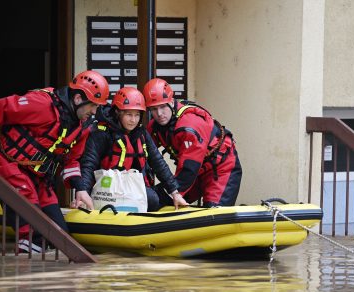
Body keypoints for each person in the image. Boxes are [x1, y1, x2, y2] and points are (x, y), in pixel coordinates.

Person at [0, 70, 110, 253]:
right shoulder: (41, 104)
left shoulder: (81, 128)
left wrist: (80, 190)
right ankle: (25, 272)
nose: (94, 112)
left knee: (61, 238)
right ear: (77, 99)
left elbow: (71, 160)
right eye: (93, 106)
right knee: (35, 232)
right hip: (10, 164)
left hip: (40, 177)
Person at [73, 87, 188, 211]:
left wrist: (175, 193)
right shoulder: (102, 133)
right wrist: (83, 191)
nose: (133, 120)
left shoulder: (141, 133)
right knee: (150, 198)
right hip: (105, 191)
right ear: (118, 112)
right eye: (129, 114)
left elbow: (158, 162)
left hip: (132, 191)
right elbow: (88, 164)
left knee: (153, 199)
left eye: (137, 115)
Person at [143, 78, 242, 207]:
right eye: (154, 109)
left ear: (172, 102)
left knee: (213, 214)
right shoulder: (155, 127)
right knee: (161, 202)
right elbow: (143, 155)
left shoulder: (189, 126)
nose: (159, 114)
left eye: (162, 107)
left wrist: (167, 194)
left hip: (220, 169)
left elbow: (188, 170)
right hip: (195, 172)